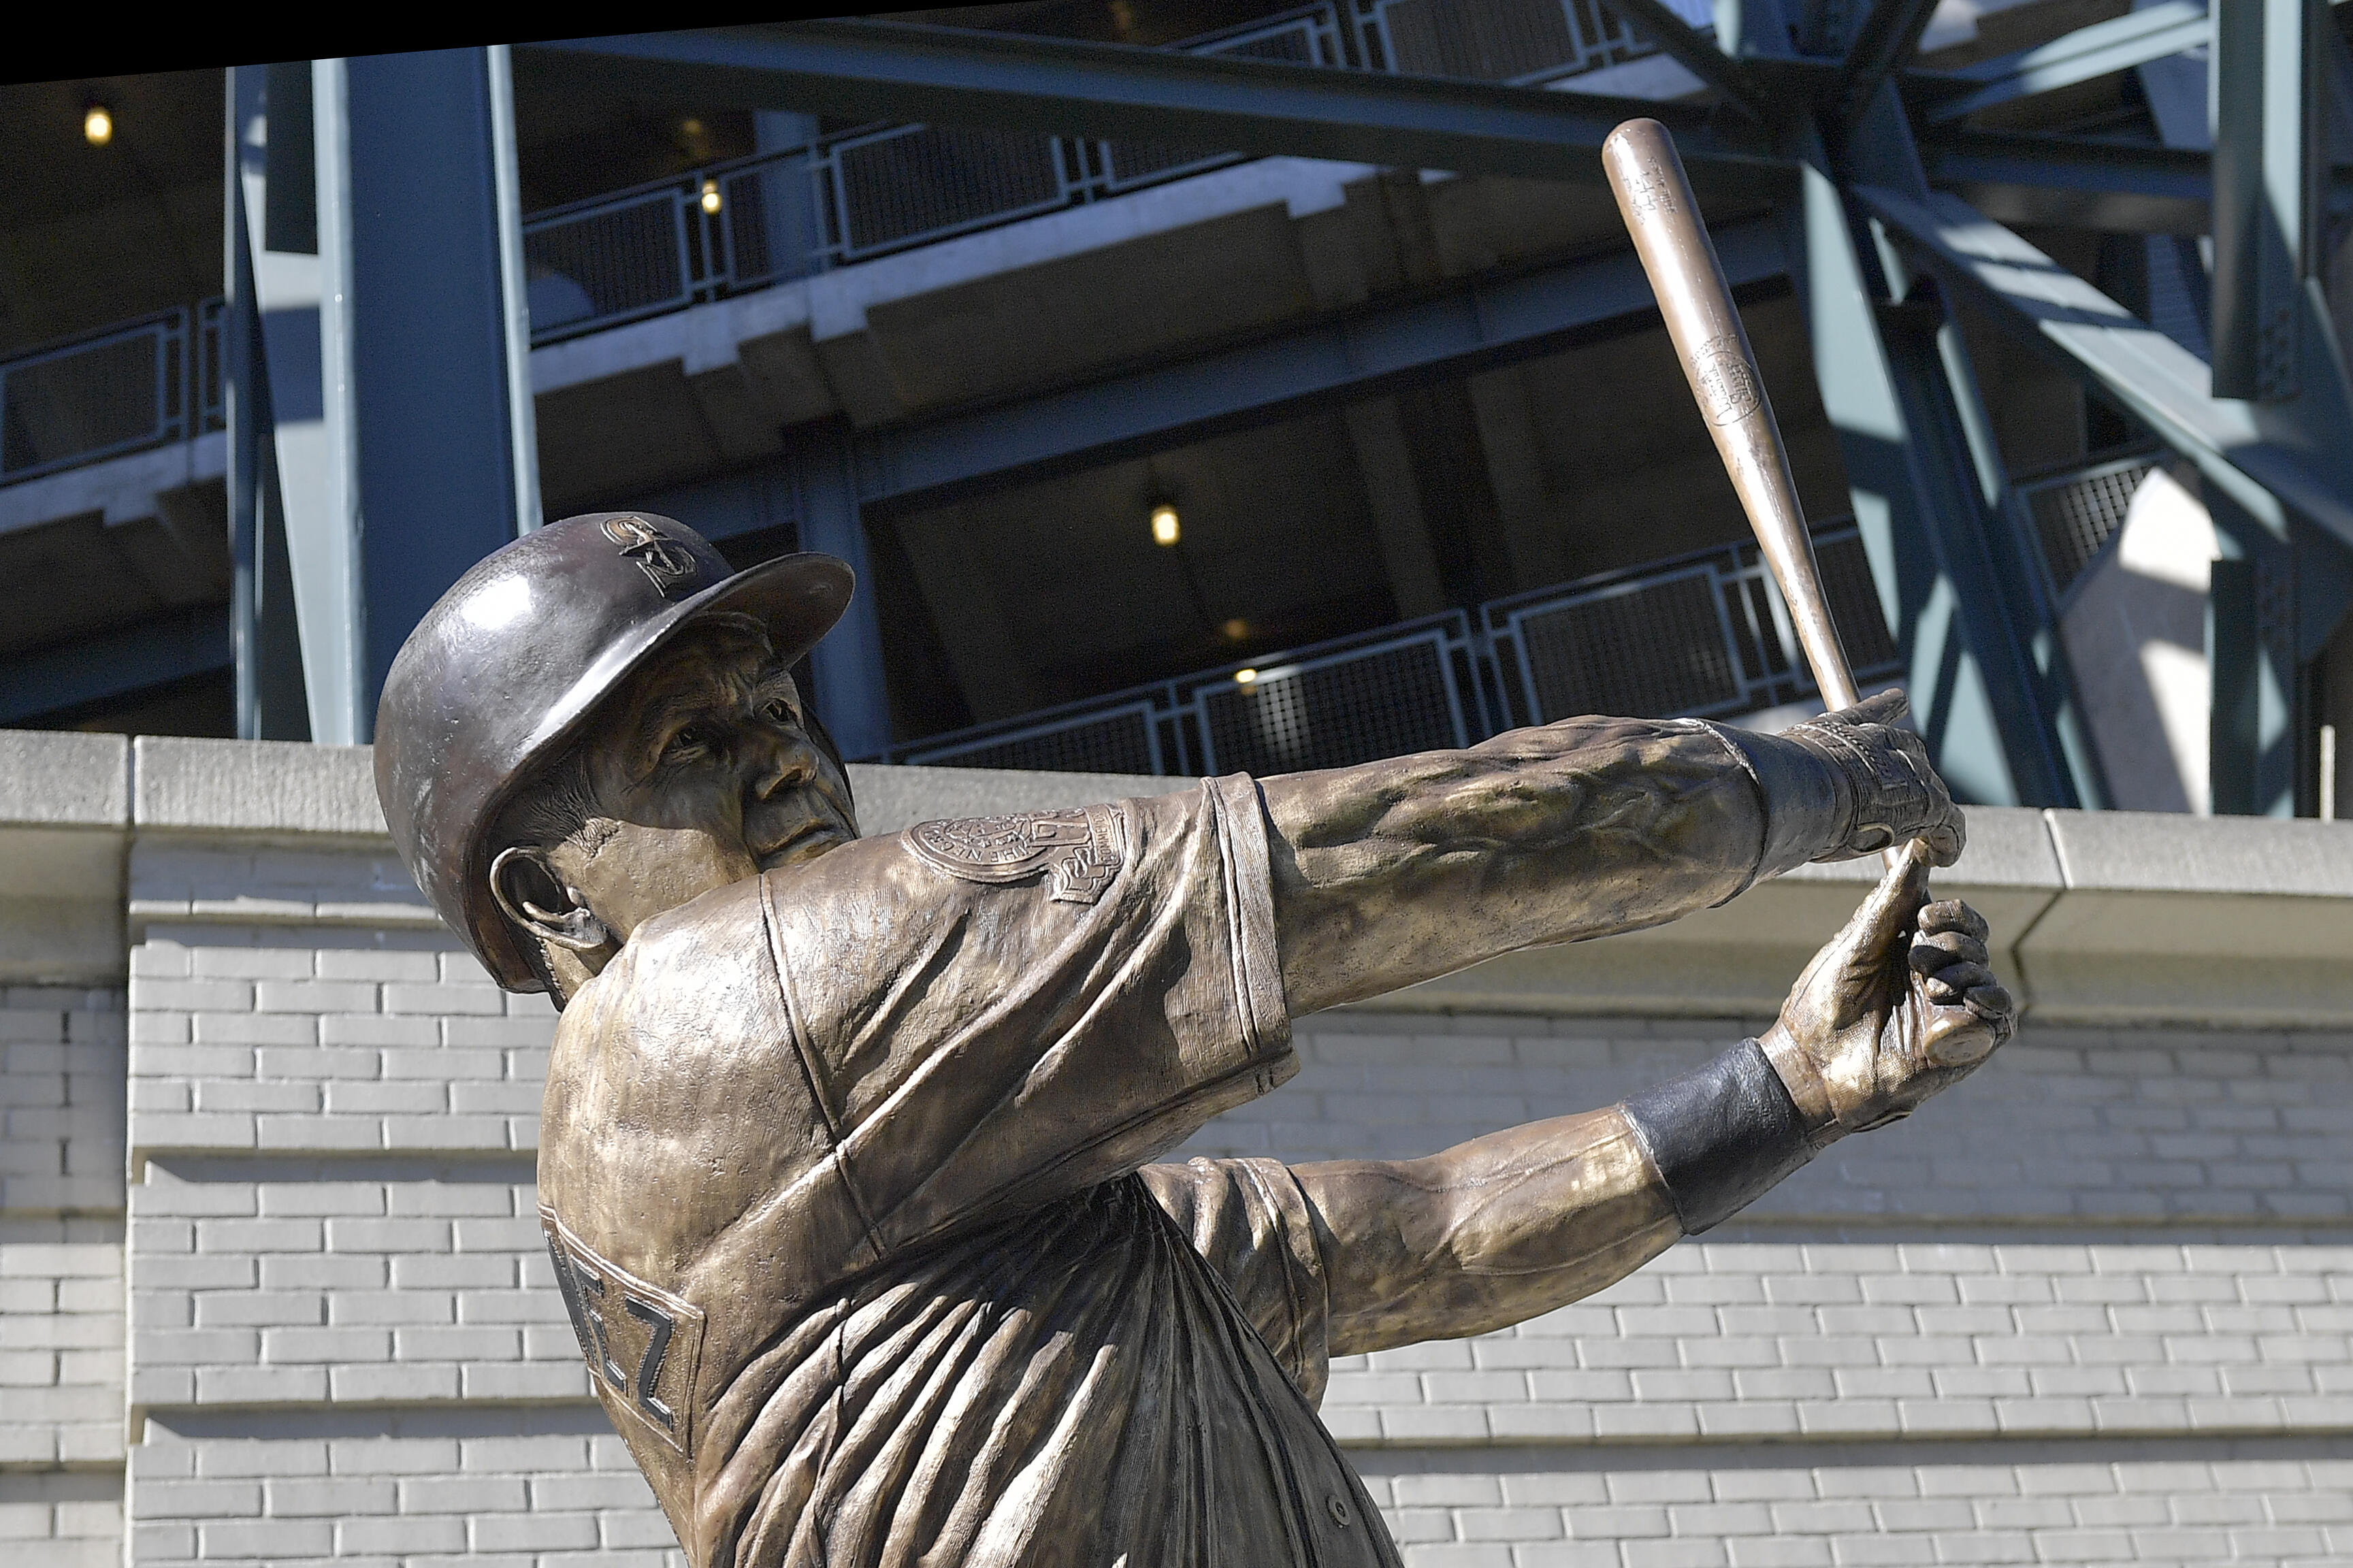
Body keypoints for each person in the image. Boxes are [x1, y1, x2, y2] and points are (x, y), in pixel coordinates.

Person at [375, 512, 2014, 1568]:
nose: (785, 760)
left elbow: (1425, 1240)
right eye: (692, 740)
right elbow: (1382, 856)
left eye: (782, 712)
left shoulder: (965, 1235)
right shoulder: (706, 1010)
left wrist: (1790, 1086)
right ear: (549, 901)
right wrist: (1818, 780)